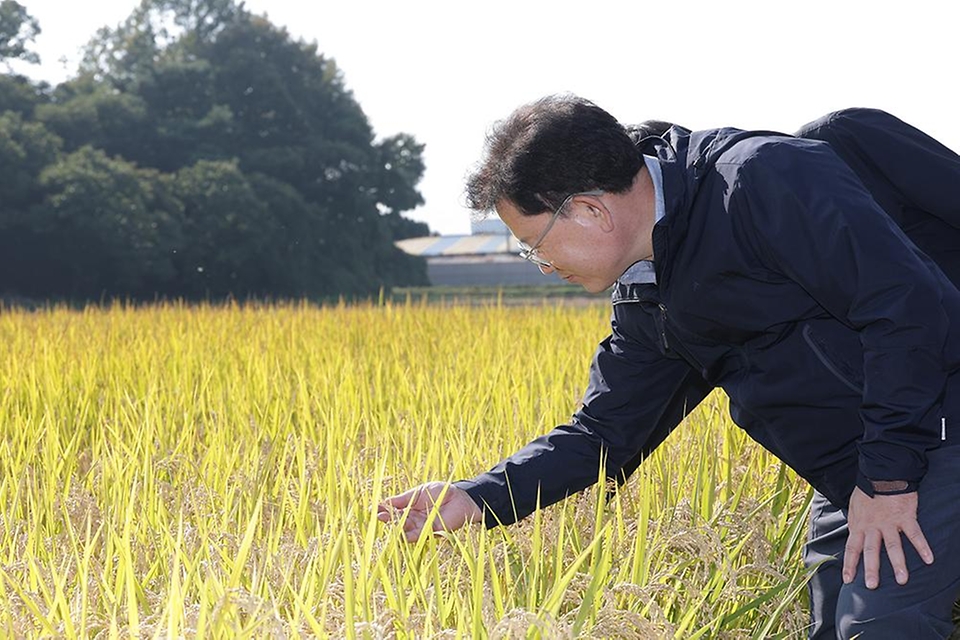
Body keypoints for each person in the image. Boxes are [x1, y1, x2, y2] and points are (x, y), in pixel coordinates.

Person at [377, 96, 960, 638]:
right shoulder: (649, 288)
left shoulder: (762, 180)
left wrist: (887, 482)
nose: (541, 265)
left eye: (534, 243)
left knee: (881, 628)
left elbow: (906, 309)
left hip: (927, 433)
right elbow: (604, 433)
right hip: (858, 471)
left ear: (588, 209)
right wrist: (477, 498)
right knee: (835, 623)